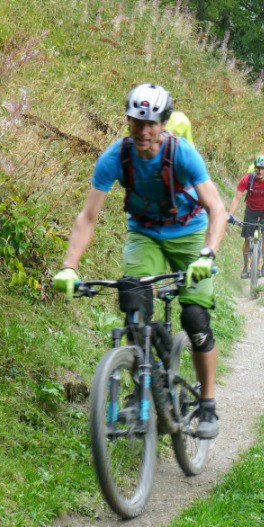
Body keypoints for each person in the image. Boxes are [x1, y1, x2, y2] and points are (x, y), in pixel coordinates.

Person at [53, 83, 227, 438]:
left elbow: (217, 208)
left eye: (152, 124)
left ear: (163, 124)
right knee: (134, 302)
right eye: (137, 122)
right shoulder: (115, 158)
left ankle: (207, 403)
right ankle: (141, 388)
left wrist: (207, 255)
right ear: (128, 121)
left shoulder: (182, 154)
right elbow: (88, 217)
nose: (144, 131)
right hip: (144, 232)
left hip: (190, 232)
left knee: (195, 317)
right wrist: (69, 265)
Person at [226, 155, 264, 279]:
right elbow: (237, 197)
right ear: (254, 168)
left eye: (262, 168)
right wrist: (230, 214)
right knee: (248, 239)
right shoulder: (247, 179)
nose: (260, 171)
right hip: (251, 209)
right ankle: (245, 267)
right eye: (258, 168)